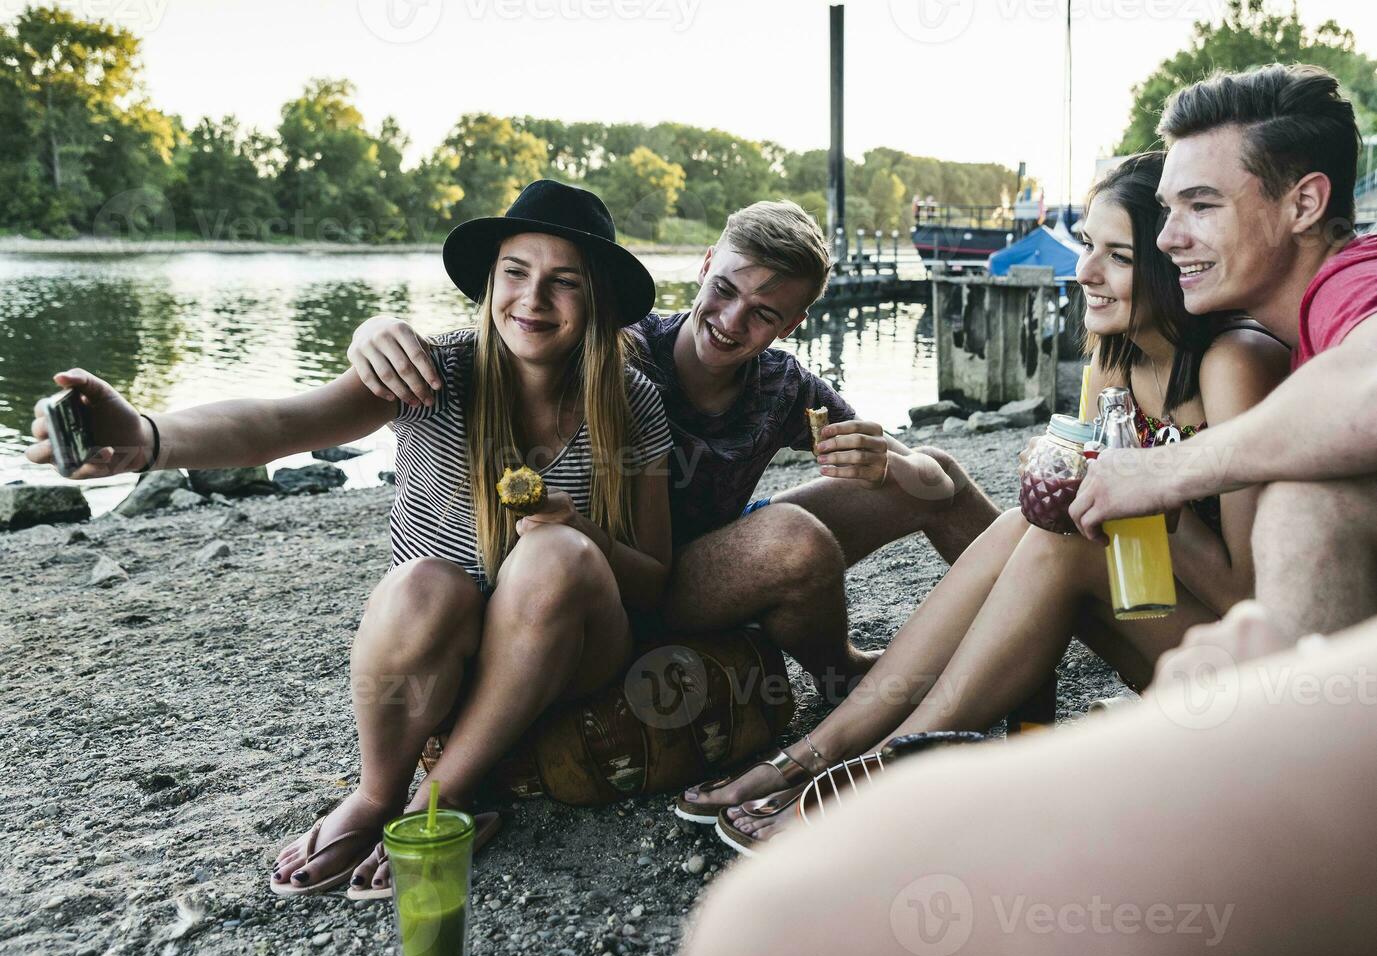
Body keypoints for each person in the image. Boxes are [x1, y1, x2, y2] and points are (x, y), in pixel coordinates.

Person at [24, 179, 675, 898]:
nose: (531, 299)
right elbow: (280, 424)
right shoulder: (433, 372)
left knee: (554, 553)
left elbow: (652, 581)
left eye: (564, 283)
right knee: (421, 583)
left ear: (598, 300)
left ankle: (444, 795)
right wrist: (147, 439)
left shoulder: (630, 401)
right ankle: (375, 792)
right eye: (515, 273)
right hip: (441, 662)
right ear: (488, 282)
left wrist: (577, 529)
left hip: (571, 658)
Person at [693, 152, 1290, 850]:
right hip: (1146, 631)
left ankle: (889, 766)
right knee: (1024, 524)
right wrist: (1087, 486)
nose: (1083, 271)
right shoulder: (1112, 360)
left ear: (1169, 260)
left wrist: (1152, 490)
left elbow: (1257, 603)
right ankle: (827, 748)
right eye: (1087, 245)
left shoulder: (1233, 365)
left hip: (1240, 673)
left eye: (1116, 255)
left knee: (1055, 541)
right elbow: (1093, 518)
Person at [348, 201, 1000, 695]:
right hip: (619, 583)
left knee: (936, 470)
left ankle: (1038, 602)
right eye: (725, 290)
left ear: (793, 323)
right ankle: (840, 674)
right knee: (788, 537)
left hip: (713, 559)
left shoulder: (782, 386)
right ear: (704, 266)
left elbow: (919, 478)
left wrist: (885, 459)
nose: (731, 321)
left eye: (764, 314)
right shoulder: (616, 351)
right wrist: (376, 331)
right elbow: (510, 337)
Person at [677, 601, 1377, 956]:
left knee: (789, 925)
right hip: (1286, 654)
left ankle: (865, 754)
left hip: (1285, 651)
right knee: (1038, 525)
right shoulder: (1136, 366)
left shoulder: (1260, 353)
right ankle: (840, 751)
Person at [1069, 64, 1377, 645]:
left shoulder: (1355, 281)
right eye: (1167, 209)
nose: (1166, 238)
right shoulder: (1311, 317)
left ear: (1305, 204)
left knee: (1306, 504)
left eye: (1202, 206)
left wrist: (1161, 471)